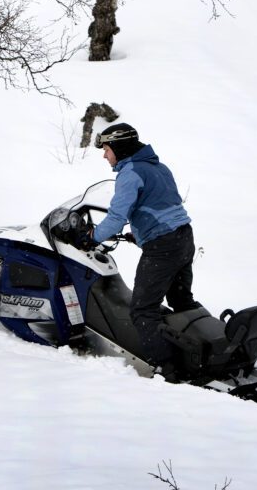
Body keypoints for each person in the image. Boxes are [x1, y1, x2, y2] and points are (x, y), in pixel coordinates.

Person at [82, 123, 202, 379]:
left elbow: (115, 217)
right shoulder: (159, 167)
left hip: (164, 246)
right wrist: (137, 234)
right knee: (182, 301)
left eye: (106, 149)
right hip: (184, 236)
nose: (105, 155)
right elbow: (162, 205)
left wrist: (92, 236)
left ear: (119, 147)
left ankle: (168, 369)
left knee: (143, 309)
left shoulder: (130, 174)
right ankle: (203, 351)